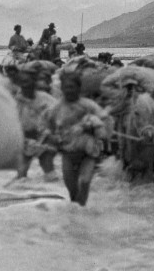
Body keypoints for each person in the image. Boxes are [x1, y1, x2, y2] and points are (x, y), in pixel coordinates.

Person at [42, 73, 111, 206]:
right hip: (68, 154)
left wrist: (94, 127)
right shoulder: (55, 108)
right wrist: (51, 137)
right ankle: (76, 213)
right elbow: (45, 126)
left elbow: (105, 120)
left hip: (88, 153)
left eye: (72, 87)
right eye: (66, 87)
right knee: (72, 191)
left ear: (79, 88)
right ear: (62, 88)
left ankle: (82, 212)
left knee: (84, 182)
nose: (69, 90)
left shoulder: (89, 105)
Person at [14, 66, 58, 180]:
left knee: (48, 168)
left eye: (27, 81)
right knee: (21, 175)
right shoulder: (16, 101)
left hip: (45, 138)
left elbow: (58, 116)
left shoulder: (46, 99)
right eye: (22, 82)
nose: (24, 85)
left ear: (34, 82)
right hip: (25, 139)